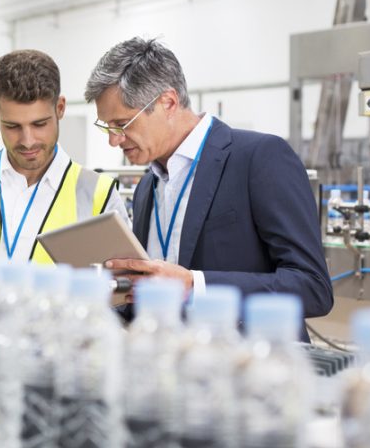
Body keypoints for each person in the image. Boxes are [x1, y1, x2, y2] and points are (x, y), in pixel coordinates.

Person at [84, 37, 332, 339]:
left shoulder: (259, 158)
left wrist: (195, 285)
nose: (114, 140)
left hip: (251, 368)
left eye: (122, 124)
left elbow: (312, 287)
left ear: (168, 103)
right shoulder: (147, 187)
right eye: (107, 127)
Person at [0, 49, 129, 263]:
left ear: (60, 108)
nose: (27, 141)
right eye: (12, 126)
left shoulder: (100, 196)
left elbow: (117, 290)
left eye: (39, 124)